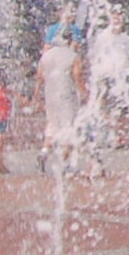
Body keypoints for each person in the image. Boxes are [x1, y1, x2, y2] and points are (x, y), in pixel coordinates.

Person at [34, 24, 83, 177]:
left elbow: (39, 77)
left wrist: (36, 96)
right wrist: (85, 94)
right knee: (68, 128)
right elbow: (77, 78)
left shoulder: (46, 56)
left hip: (50, 95)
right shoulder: (72, 56)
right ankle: (63, 164)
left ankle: (44, 152)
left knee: (52, 125)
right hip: (66, 95)